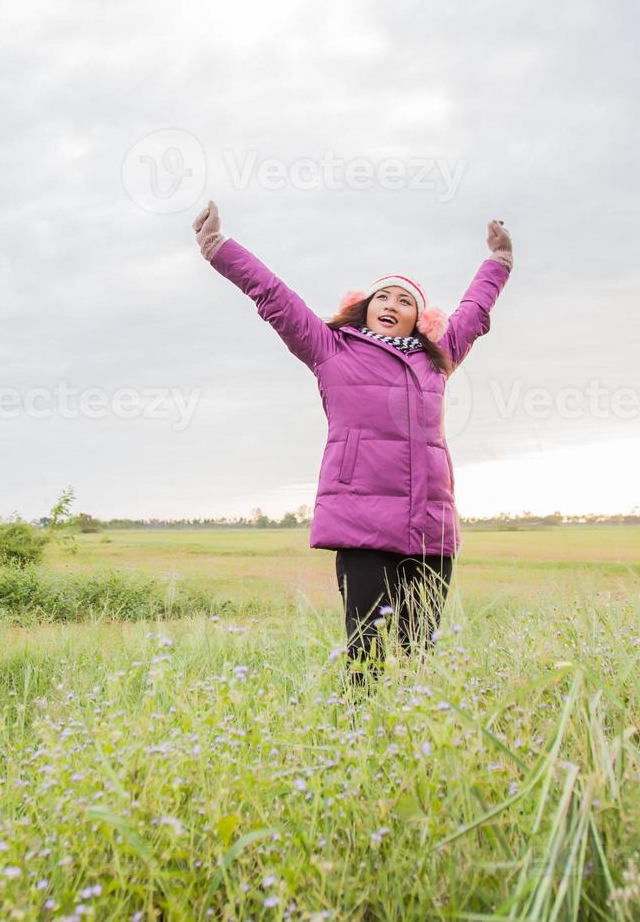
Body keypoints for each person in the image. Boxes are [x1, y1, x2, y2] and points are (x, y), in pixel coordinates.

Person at [191, 200, 515, 688]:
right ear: (364, 308)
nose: (391, 305)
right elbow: (274, 296)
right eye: (382, 297)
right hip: (363, 525)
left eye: (404, 301)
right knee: (365, 655)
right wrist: (219, 247)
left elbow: (475, 311)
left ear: (420, 321)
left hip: (430, 528)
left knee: (419, 656)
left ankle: (412, 746)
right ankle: (358, 740)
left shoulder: (437, 360)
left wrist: (498, 262)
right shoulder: (330, 350)